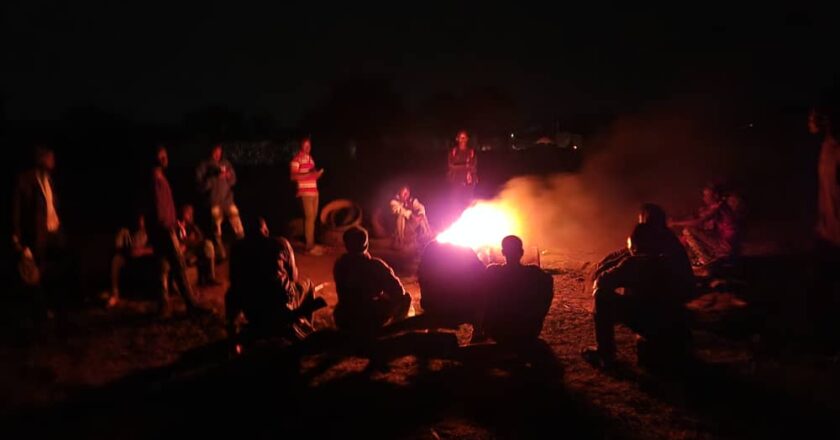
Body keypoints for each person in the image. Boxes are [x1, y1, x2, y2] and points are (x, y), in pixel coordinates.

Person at [582, 223, 694, 370]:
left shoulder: (635, 263)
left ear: (634, 245)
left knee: (601, 295)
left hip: (653, 322)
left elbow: (602, 281)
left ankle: (605, 354)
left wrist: (626, 258)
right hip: (677, 326)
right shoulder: (670, 261)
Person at [225, 216, 326, 342]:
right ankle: (307, 328)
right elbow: (293, 277)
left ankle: (233, 331)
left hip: (251, 307)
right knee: (309, 284)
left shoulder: (237, 248)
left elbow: (233, 278)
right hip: (279, 303)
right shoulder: (280, 243)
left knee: (232, 292)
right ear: (266, 231)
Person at [149, 146, 208, 318]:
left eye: (165, 156)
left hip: (162, 229)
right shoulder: (156, 181)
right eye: (161, 156)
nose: (164, 159)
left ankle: (163, 306)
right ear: (154, 159)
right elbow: (161, 212)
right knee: (179, 265)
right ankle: (191, 305)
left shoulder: (159, 178)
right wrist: (173, 226)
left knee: (162, 267)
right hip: (165, 230)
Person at [12, 146, 67, 313]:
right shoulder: (25, 180)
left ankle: (53, 304)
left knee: (56, 265)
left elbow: (52, 205)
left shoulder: (49, 179)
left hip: (54, 232)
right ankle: (41, 309)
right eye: (50, 157)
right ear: (42, 159)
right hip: (37, 234)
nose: (53, 161)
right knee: (37, 268)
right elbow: (17, 210)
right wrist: (17, 237)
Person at [333, 226, 411, 337]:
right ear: (366, 244)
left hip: (343, 318)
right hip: (369, 319)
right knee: (405, 298)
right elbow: (399, 292)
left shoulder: (340, 264)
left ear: (346, 245)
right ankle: (393, 331)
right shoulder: (375, 265)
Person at [808, 96, 840, 353]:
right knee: (821, 292)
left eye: (813, 115)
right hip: (826, 234)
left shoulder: (837, 149)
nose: (809, 120)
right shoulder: (827, 147)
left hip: (837, 235)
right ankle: (823, 343)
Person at [484, 236, 554, 346]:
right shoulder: (534, 274)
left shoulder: (493, 272)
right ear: (521, 252)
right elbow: (548, 284)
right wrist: (538, 317)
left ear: (503, 252)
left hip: (498, 330)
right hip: (528, 330)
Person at [415, 240, 487, 330]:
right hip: (462, 307)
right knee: (483, 296)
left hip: (434, 307)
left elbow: (422, 277)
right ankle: (478, 331)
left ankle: (432, 331)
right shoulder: (465, 253)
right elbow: (482, 273)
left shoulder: (431, 251)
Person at [669, 184, 741, 267]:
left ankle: (706, 261)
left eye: (706, 195)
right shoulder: (715, 208)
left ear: (716, 195)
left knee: (688, 230)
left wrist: (675, 223)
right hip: (722, 243)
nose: (704, 198)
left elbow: (699, 222)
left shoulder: (719, 207)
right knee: (688, 235)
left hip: (726, 245)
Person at [195, 144, 244, 259]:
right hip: (215, 203)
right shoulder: (204, 166)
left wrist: (227, 176)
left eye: (219, 151)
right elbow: (199, 186)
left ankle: (243, 247)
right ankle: (220, 252)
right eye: (215, 151)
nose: (217, 153)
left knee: (237, 224)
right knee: (217, 229)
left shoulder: (226, 164)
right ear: (210, 151)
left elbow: (233, 180)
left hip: (228, 200)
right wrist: (213, 178)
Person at [108, 213, 156, 307]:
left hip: (144, 259)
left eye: (141, 220)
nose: (139, 222)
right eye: (137, 219)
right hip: (128, 258)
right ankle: (115, 293)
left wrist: (142, 251)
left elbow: (155, 248)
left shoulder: (149, 232)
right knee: (116, 260)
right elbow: (117, 247)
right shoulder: (125, 231)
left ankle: (146, 293)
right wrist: (128, 251)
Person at [290, 137, 324, 255]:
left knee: (312, 218)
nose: (307, 148)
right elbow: (293, 176)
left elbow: (312, 175)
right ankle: (309, 246)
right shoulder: (296, 159)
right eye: (305, 146)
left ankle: (311, 243)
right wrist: (309, 174)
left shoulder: (310, 158)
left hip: (314, 191)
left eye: (309, 146)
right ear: (301, 146)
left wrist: (317, 174)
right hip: (305, 192)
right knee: (309, 217)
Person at [176, 204, 219, 287]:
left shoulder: (190, 225)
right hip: (182, 251)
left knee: (207, 245)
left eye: (191, 213)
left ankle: (210, 277)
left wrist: (193, 240)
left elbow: (200, 237)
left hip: (190, 248)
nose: (190, 215)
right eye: (188, 213)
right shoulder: (176, 225)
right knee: (202, 251)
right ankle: (202, 279)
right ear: (182, 213)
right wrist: (188, 241)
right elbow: (180, 242)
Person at [447, 130, 478, 213]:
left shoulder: (471, 152)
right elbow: (451, 166)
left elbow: (473, 167)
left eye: (464, 138)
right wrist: (465, 166)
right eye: (461, 138)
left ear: (467, 139)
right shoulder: (454, 152)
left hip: (468, 183)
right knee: (455, 204)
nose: (463, 140)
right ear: (457, 139)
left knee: (468, 204)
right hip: (456, 182)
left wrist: (460, 166)